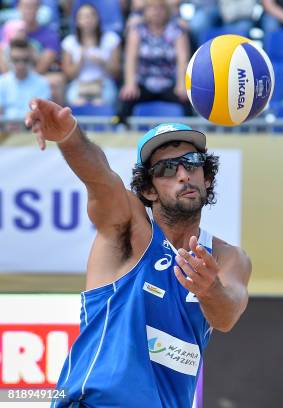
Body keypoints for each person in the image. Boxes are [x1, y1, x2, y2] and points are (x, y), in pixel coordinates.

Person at [25, 98, 251, 406]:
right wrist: (69, 136)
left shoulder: (228, 258)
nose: (183, 175)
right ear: (147, 189)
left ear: (207, 177)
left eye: (192, 163)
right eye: (168, 169)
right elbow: (100, 178)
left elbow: (227, 317)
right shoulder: (130, 227)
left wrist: (210, 289)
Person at [119, 0, 191, 124]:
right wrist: (130, 83)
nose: (156, 12)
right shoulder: (137, 30)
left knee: (186, 99)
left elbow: (183, 59)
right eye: (152, 8)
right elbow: (130, 58)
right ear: (145, 12)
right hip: (144, 83)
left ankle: (191, 132)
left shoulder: (177, 30)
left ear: (167, 11)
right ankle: (119, 129)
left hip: (170, 83)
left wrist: (181, 84)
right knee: (126, 98)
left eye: (160, 8)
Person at [62, 3, 121, 107]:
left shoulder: (111, 39)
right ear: (77, 21)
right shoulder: (69, 42)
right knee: (75, 101)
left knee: (103, 102)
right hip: (79, 85)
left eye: (90, 16)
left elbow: (116, 72)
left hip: (103, 84)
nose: (87, 20)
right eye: (83, 17)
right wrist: (80, 60)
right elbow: (68, 75)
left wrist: (102, 61)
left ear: (98, 18)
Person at [18, 0, 64, 105]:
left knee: (56, 81)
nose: (29, 10)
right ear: (19, 8)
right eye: (25, 6)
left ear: (39, 9)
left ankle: (55, 120)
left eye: (32, 7)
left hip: (37, 76)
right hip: (13, 76)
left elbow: (41, 67)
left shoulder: (50, 35)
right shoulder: (8, 31)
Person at [0, 38, 50, 119]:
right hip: (6, 130)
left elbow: (41, 114)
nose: (20, 65)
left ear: (31, 59)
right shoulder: (1, 82)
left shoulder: (42, 83)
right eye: (16, 60)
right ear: (9, 60)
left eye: (25, 60)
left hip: (33, 129)